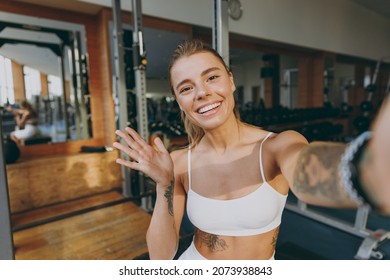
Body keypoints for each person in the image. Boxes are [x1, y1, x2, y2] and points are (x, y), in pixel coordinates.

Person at [113, 39, 390, 260]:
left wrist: (365, 171)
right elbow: (161, 258)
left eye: (211, 78)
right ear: (179, 101)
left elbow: (306, 172)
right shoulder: (179, 161)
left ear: (230, 81)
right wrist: (164, 185)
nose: (201, 93)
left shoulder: (275, 147)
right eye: (186, 88)